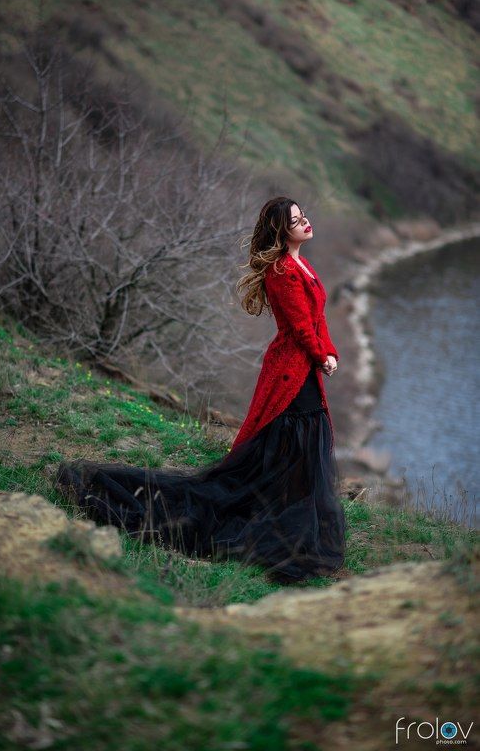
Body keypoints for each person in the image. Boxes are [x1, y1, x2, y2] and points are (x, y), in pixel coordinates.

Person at [56, 197, 346, 584]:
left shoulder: (301, 265)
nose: (305, 222)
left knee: (298, 445)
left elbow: (318, 318)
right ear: (281, 231)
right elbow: (299, 326)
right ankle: (284, 528)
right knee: (293, 442)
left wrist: (330, 352)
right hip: (289, 372)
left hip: (303, 367)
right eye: (296, 220)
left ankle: (292, 522)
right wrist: (320, 355)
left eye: (303, 216)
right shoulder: (282, 271)